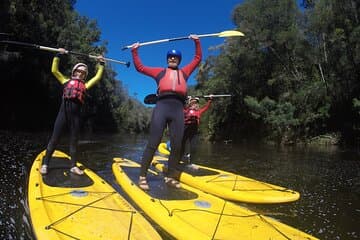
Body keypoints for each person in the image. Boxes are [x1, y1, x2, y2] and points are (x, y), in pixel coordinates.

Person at [131, 35, 202, 190]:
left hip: (178, 109)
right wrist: (135, 51)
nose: (172, 59)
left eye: (175, 57)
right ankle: (142, 175)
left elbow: (197, 58)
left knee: (177, 145)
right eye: (170, 57)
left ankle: (170, 176)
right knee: (154, 142)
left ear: (179, 60)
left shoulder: (184, 72)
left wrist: (196, 41)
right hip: (162, 107)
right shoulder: (160, 72)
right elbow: (140, 68)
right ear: (167, 59)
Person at [39, 48, 105, 175]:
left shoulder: (85, 86)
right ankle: (45, 164)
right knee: (54, 139)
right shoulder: (65, 81)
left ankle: (73, 166)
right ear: (74, 71)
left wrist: (101, 63)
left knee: (74, 141)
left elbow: (97, 77)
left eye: (83, 72)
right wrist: (58, 55)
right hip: (62, 115)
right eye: (78, 71)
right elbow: (54, 70)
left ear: (85, 75)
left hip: (76, 117)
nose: (80, 73)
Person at [180, 95, 212, 169]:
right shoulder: (185, 110)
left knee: (193, 147)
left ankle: (192, 163)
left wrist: (210, 100)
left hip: (193, 131)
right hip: (185, 129)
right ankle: (178, 160)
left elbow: (206, 107)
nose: (195, 104)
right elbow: (183, 108)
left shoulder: (199, 112)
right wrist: (188, 104)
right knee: (182, 146)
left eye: (196, 103)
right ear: (190, 103)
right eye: (193, 103)